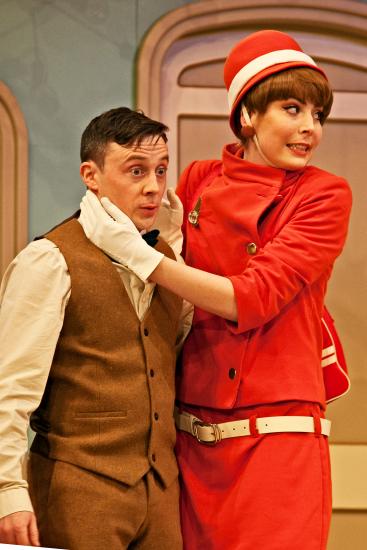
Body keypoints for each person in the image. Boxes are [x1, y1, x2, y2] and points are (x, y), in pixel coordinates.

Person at [81, 30, 352, 550]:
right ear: (247, 114)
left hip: (278, 450)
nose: (309, 129)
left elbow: (249, 296)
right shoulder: (200, 180)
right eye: (292, 109)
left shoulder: (325, 195)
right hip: (191, 447)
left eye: (318, 115)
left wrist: (140, 256)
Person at [0, 107, 192, 549]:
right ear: (92, 175)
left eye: (161, 170)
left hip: (162, 494)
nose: (153, 186)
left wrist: (175, 243)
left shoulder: (168, 260)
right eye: (136, 170)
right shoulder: (50, 259)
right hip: (79, 489)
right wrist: (9, 489)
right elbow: (11, 388)